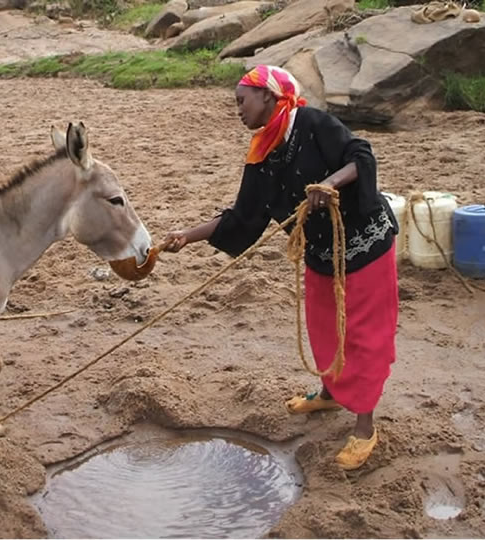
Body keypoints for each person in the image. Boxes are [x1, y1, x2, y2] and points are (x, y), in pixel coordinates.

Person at [162, 65, 399, 470]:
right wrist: (188, 236)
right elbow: (242, 216)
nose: (237, 109)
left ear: (269, 97)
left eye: (242, 101)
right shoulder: (262, 152)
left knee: (363, 335)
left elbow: (360, 155)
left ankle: (364, 427)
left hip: (364, 245)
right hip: (320, 253)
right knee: (323, 328)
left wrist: (331, 183)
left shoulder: (312, 123)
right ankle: (329, 393)